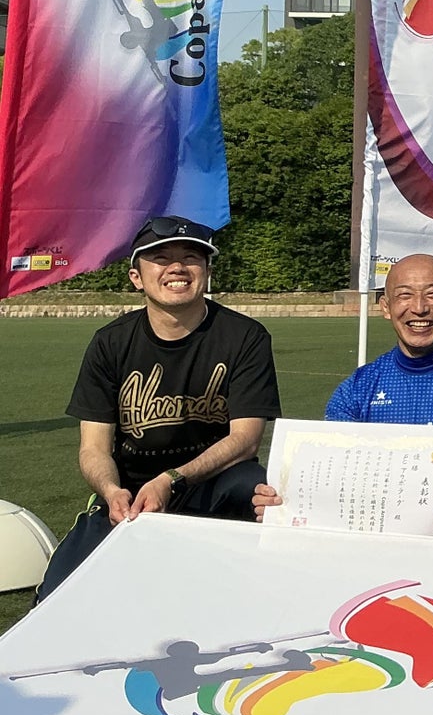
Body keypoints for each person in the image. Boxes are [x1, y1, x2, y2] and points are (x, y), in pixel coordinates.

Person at [37, 218, 281, 602]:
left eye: (191, 257)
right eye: (161, 258)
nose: (177, 267)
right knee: (57, 595)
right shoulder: (110, 343)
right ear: (136, 277)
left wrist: (171, 479)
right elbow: (94, 448)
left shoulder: (245, 337)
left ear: (207, 271)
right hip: (132, 491)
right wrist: (111, 491)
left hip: (214, 483)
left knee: (257, 491)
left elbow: (246, 439)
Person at [252, 254, 433, 537]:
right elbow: (331, 477)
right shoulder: (357, 388)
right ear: (385, 306)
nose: (419, 308)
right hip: (372, 543)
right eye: (404, 295)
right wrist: (282, 502)